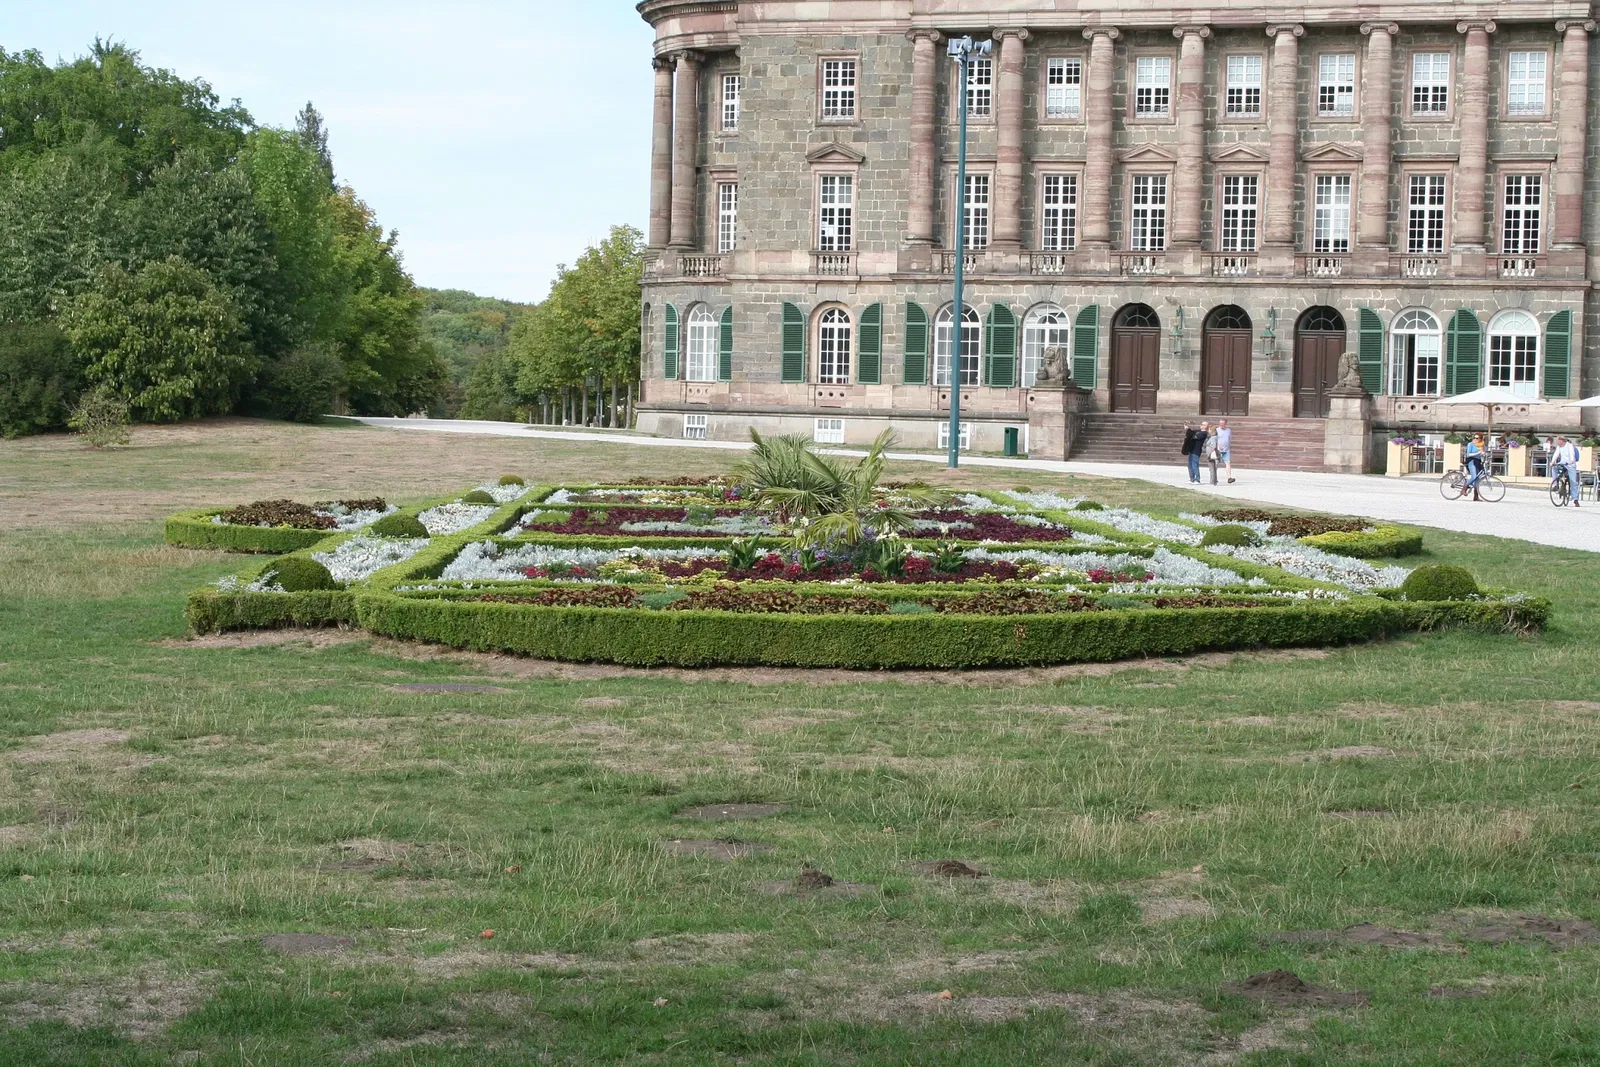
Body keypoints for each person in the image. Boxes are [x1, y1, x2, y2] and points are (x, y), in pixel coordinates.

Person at [1553, 435, 1582, 507]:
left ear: (1562, 441)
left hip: (1570, 464)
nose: (1557, 443)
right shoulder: (1559, 447)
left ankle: (1575, 499)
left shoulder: (1570, 446)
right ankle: (1555, 485)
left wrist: (1571, 461)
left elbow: (1572, 454)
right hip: (1562, 463)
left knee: (1573, 481)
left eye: (1558, 441)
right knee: (1554, 468)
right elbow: (1556, 454)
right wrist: (1553, 462)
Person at [1463, 434, 1486, 502]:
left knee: (1478, 479)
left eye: (1477, 438)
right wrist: (1478, 453)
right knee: (1474, 476)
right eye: (1475, 437)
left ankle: (1476, 497)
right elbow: (1468, 454)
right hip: (1471, 461)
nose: (1475, 439)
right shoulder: (1471, 444)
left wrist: (1483, 454)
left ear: (1480, 439)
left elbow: (1482, 454)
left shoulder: (1482, 446)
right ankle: (1464, 489)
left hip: (1478, 462)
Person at [1216, 418, 1235, 484]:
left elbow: (1229, 439)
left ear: (1225, 424)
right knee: (1216, 463)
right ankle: (1214, 477)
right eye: (1220, 423)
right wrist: (1218, 445)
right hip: (1218, 450)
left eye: (1223, 423)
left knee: (1228, 463)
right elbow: (1214, 439)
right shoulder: (1217, 430)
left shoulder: (1228, 430)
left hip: (1226, 450)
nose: (1221, 424)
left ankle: (1229, 477)